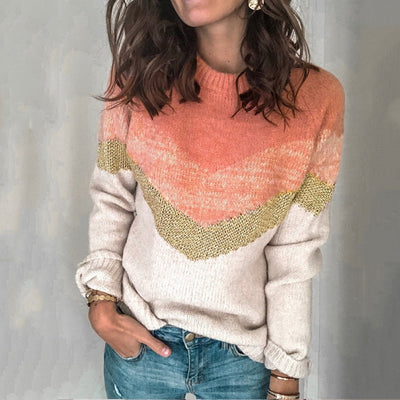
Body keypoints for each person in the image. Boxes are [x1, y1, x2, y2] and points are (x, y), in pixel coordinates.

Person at [75, 0, 345, 399]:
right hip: (141, 342)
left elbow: (294, 253)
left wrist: (286, 376)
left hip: (241, 359)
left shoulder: (316, 98)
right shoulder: (139, 73)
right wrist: (101, 303)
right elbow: (112, 197)